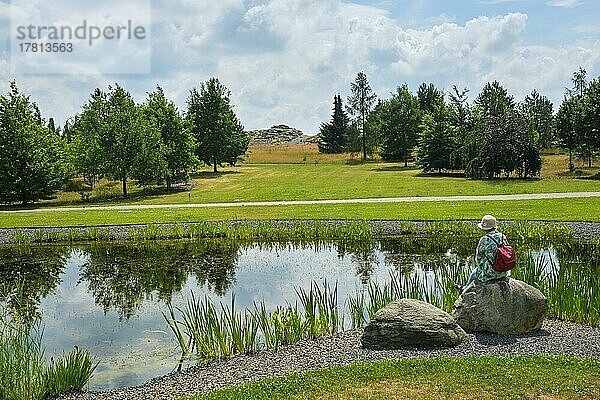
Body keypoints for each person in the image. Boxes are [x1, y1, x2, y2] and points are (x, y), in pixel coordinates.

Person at [457, 214, 509, 293]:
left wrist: (482, 267)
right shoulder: (502, 236)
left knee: (474, 272)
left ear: (485, 229)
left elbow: (478, 257)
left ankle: (464, 290)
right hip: (503, 272)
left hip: (490, 275)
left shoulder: (484, 239)